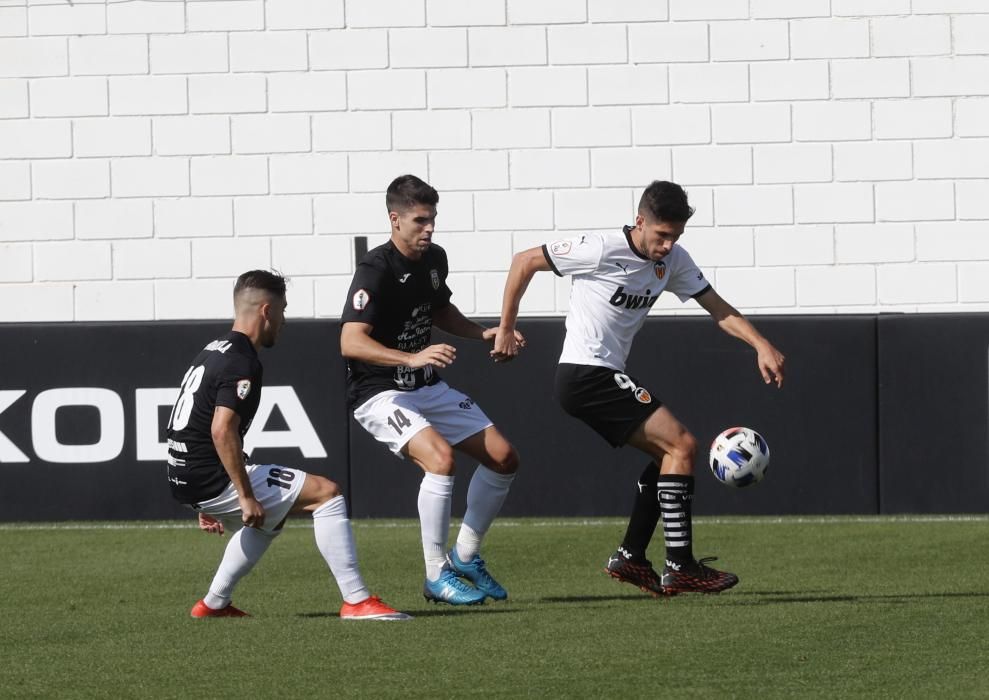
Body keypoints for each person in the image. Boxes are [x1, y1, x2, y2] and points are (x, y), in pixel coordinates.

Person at [493, 180, 785, 597]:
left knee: (668, 457)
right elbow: (524, 261)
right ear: (639, 222)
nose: (667, 245)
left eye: (675, 236)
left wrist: (760, 344)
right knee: (682, 445)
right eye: (661, 235)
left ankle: (631, 556)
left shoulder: (675, 261)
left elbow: (718, 309)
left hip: (598, 375)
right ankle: (680, 566)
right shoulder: (600, 248)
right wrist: (506, 328)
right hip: (584, 373)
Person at [166, 269, 409, 620]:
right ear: (266, 311)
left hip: (186, 475)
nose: (284, 321)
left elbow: (193, 423)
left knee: (269, 519)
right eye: (282, 310)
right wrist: (242, 495)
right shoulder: (241, 360)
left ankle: (214, 604)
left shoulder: (213, 349)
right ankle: (357, 601)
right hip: (205, 476)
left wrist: (202, 492)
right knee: (327, 495)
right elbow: (221, 430)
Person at [340, 174, 523, 606]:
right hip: (379, 390)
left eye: (433, 219)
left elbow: (441, 310)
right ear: (395, 219)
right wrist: (410, 357)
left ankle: (464, 558)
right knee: (439, 460)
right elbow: (350, 341)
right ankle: (435, 574)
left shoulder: (434, 258)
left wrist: (483, 334)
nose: (429, 229)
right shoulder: (375, 269)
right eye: (420, 220)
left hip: (425, 384)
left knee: (504, 458)